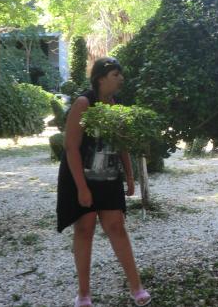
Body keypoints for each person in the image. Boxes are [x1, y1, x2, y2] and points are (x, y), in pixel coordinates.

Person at [56, 57, 151, 307]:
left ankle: (137, 287)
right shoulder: (83, 103)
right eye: (115, 74)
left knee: (116, 227)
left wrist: (130, 176)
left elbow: (121, 144)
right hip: (79, 176)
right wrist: (82, 188)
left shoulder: (115, 103)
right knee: (85, 228)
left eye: (121, 74)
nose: (121, 78)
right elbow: (71, 148)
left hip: (108, 177)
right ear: (100, 78)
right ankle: (84, 294)